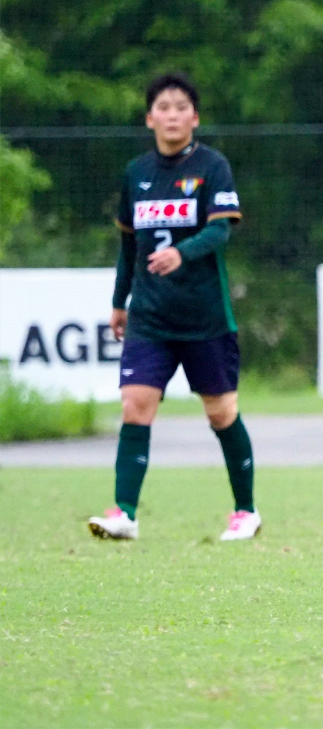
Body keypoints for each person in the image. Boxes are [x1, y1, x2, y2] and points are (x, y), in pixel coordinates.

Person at [88, 73, 259, 543]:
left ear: (194, 117)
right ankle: (124, 512)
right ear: (150, 119)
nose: (172, 114)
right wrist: (118, 302)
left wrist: (182, 252)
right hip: (150, 317)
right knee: (135, 405)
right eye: (163, 107)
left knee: (221, 413)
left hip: (204, 317)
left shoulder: (212, 166)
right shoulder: (136, 173)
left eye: (181, 106)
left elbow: (221, 230)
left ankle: (245, 510)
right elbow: (129, 246)